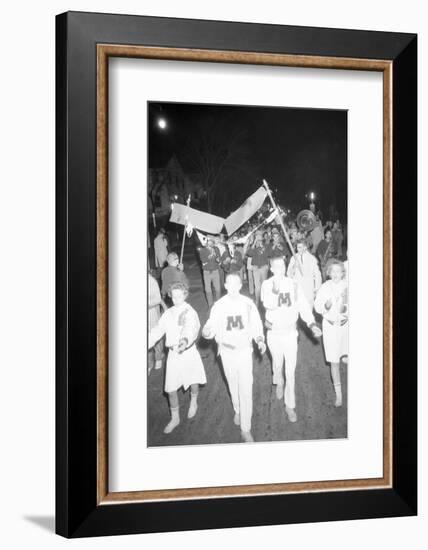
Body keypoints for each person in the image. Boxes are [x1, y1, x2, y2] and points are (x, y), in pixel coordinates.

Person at [202, 273, 266, 443]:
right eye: (229, 283)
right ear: (225, 285)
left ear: (240, 285)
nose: (232, 287)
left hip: (244, 351)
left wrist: (259, 339)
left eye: (236, 283)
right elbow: (211, 325)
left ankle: (246, 428)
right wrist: (207, 332)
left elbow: (256, 325)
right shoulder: (219, 305)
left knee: (246, 388)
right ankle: (237, 409)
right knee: (232, 383)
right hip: (226, 352)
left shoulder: (248, 304)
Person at [261, 257, 322, 422]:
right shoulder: (267, 285)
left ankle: (290, 405)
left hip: (290, 334)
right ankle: (278, 381)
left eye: (283, 266)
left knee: (290, 372)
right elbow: (268, 304)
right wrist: (275, 290)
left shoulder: (294, 284)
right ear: (271, 269)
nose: (280, 269)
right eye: (277, 267)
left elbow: (303, 306)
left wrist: (311, 324)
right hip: (274, 334)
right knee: (277, 364)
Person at [148, 282, 207, 433]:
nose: (176, 299)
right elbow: (158, 330)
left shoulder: (190, 311)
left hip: (188, 352)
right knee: (170, 389)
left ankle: (193, 401)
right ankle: (175, 418)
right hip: (173, 355)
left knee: (193, 380)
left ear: (185, 295)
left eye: (179, 296)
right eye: (173, 296)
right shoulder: (168, 313)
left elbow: (191, 327)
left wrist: (184, 340)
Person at [314, 259, 348, 407]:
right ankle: (339, 395)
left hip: (346, 327)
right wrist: (325, 306)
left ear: (342, 273)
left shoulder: (348, 286)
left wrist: (347, 312)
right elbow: (317, 307)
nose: (335, 274)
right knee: (334, 362)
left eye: (338, 271)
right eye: (332, 271)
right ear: (328, 273)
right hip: (330, 327)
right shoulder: (324, 287)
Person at [287, 238, 322, 308]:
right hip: (297, 289)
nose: (298, 249)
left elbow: (318, 275)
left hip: (309, 288)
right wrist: (294, 266)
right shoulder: (293, 258)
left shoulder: (312, 259)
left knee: (309, 311)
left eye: (300, 247)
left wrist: (317, 289)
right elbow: (288, 274)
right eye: (297, 247)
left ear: (305, 247)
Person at [246, 231, 269, 305]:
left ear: (262, 238)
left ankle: (264, 300)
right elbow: (249, 253)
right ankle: (257, 300)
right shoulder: (253, 247)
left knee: (264, 285)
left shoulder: (265, 245)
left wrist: (262, 246)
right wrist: (255, 242)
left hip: (263, 268)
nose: (259, 238)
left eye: (260, 237)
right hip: (255, 268)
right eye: (257, 237)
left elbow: (268, 254)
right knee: (257, 287)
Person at [198, 237, 221, 307]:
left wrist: (217, 258)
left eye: (211, 241)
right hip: (207, 272)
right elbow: (203, 261)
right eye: (209, 241)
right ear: (206, 242)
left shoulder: (216, 249)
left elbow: (218, 259)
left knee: (218, 289)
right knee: (208, 290)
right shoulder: (202, 250)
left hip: (215, 271)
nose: (210, 242)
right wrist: (210, 256)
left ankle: (218, 305)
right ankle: (210, 305)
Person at [148, 272, 164, 373]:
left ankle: (158, 357)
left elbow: (158, 299)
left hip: (151, 313)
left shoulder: (151, 281)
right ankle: (149, 363)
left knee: (155, 335)